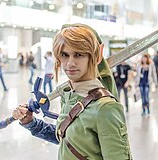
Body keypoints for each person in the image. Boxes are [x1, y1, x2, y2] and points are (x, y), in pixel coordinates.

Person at [12, 24, 133, 160]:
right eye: (64, 55)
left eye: (79, 54)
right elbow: (66, 138)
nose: (70, 63)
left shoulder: (105, 108)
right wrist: (31, 122)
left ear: (97, 55)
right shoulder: (69, 95)